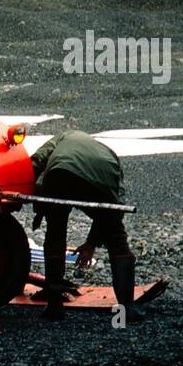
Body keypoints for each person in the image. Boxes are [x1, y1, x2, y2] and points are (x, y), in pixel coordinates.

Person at [30, 129, 141, 322]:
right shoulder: (107, 154)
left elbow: (36, 161)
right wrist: (92, 244)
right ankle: (126, 310)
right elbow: (114, 210)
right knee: (117, 239)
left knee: (55, 234)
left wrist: (39, 206)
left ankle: (54, 306)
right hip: (100, 178)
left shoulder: (64, 136)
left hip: (60, 173)